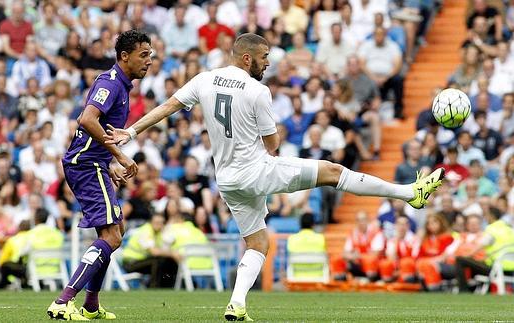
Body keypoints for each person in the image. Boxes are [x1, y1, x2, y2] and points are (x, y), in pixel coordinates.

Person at [104, 33, 444, 321]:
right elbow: (273, 144)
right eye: (265, 58)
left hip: (227, 181)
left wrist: (130, 132)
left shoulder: (204, 79)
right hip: (256, 171)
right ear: (248, 58)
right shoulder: (257, 91)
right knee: (332, 171)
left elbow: (167, 107)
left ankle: (236, 305)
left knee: (258, 243)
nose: (269, 64)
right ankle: (409, 193)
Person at [46, 30, 152, 321]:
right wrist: (118, 155)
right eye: (144, 55)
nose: (149, 61)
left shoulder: (122, 85)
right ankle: (63, 301)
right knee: (112, 236)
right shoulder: (110, 82)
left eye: (151, 55)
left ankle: (91, 305)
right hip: (85, 164)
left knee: (116, 230)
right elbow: (87, 119)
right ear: (124, 56)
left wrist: (109, 163)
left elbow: (98, 129)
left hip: (94, 163)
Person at [122, 213, 179, 288]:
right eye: (156, 223)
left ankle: (168, 287)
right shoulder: (146, 231)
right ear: (150, 222)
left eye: (161, 223)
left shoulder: (158, 233)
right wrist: (172, 254)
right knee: (157, 261)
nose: (159, 225)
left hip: (142, 261)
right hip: (130, 262)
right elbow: (154, 252)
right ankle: (154, 287)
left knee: (169, 261)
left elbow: (169, 244)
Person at [287, 213, 326, 279]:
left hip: (297, 274)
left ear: (300, 224)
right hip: (317, 274)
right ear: (313, 224)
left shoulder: (292, 239)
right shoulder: (321, 238)